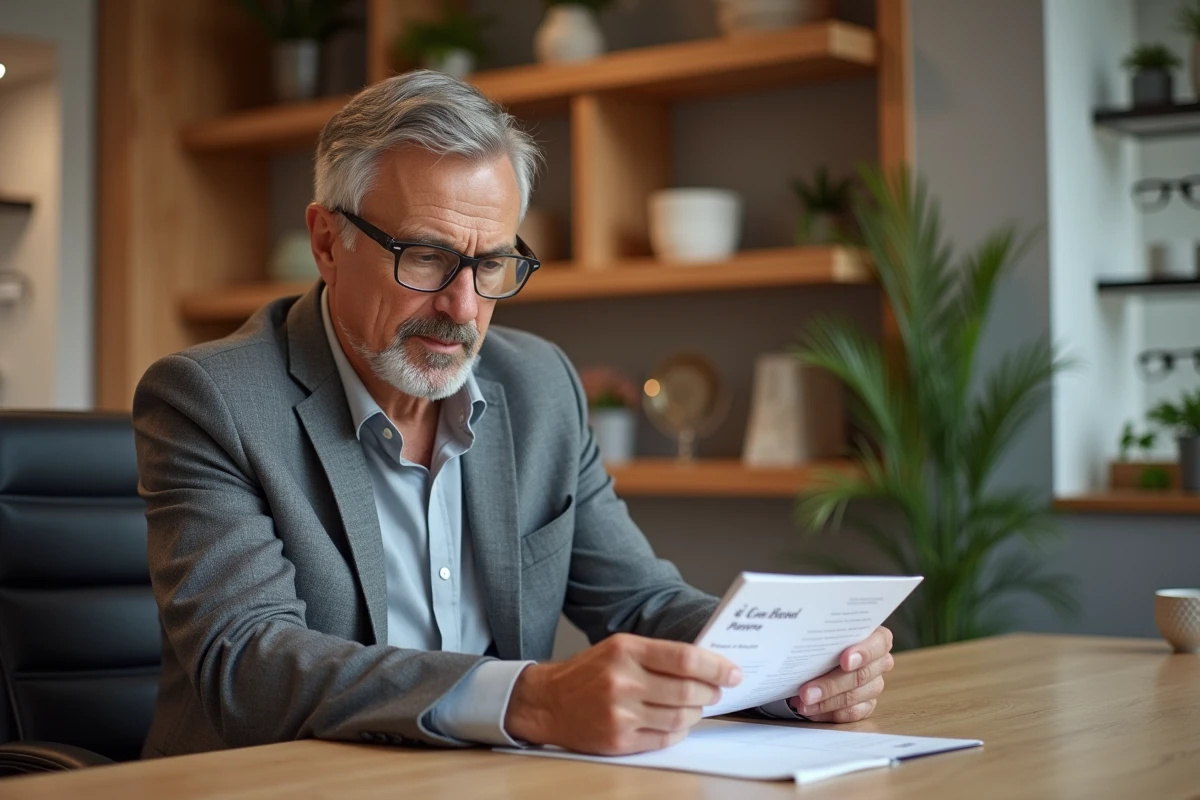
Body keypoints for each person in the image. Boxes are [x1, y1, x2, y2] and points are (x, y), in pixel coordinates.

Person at [133, 70, 894, 760]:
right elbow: (249, 662)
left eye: (492, 264)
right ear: (327, 242)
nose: (462, 308)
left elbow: (637, 601)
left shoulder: (540, 388)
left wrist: (794, 668)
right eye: (425, 258)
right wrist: (527, 698)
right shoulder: (211, 400)